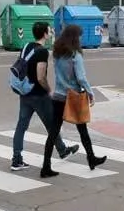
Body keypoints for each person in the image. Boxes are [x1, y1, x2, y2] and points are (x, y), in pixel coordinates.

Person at [41, 24, 107, 178]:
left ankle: (46, 166)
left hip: (58, 96)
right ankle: (91, 158)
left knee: (53, 133)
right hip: (73, 97)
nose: (81, 39)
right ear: (75, 38)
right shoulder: (75, 55)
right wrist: (90, 93)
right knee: (82, 130)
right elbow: (81, 77)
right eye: (80, 36)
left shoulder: (57, 53)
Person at [10, 21, 78, 171]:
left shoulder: (27, 46)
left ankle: (16, 159)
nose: (51, 32)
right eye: (49, 30)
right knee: (52, 125)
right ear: (45, 34)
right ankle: (62, 151)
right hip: (39, 95)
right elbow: (41, 77)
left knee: (21, 126)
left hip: (25, 93)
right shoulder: (42, 52)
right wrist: (49, 91)